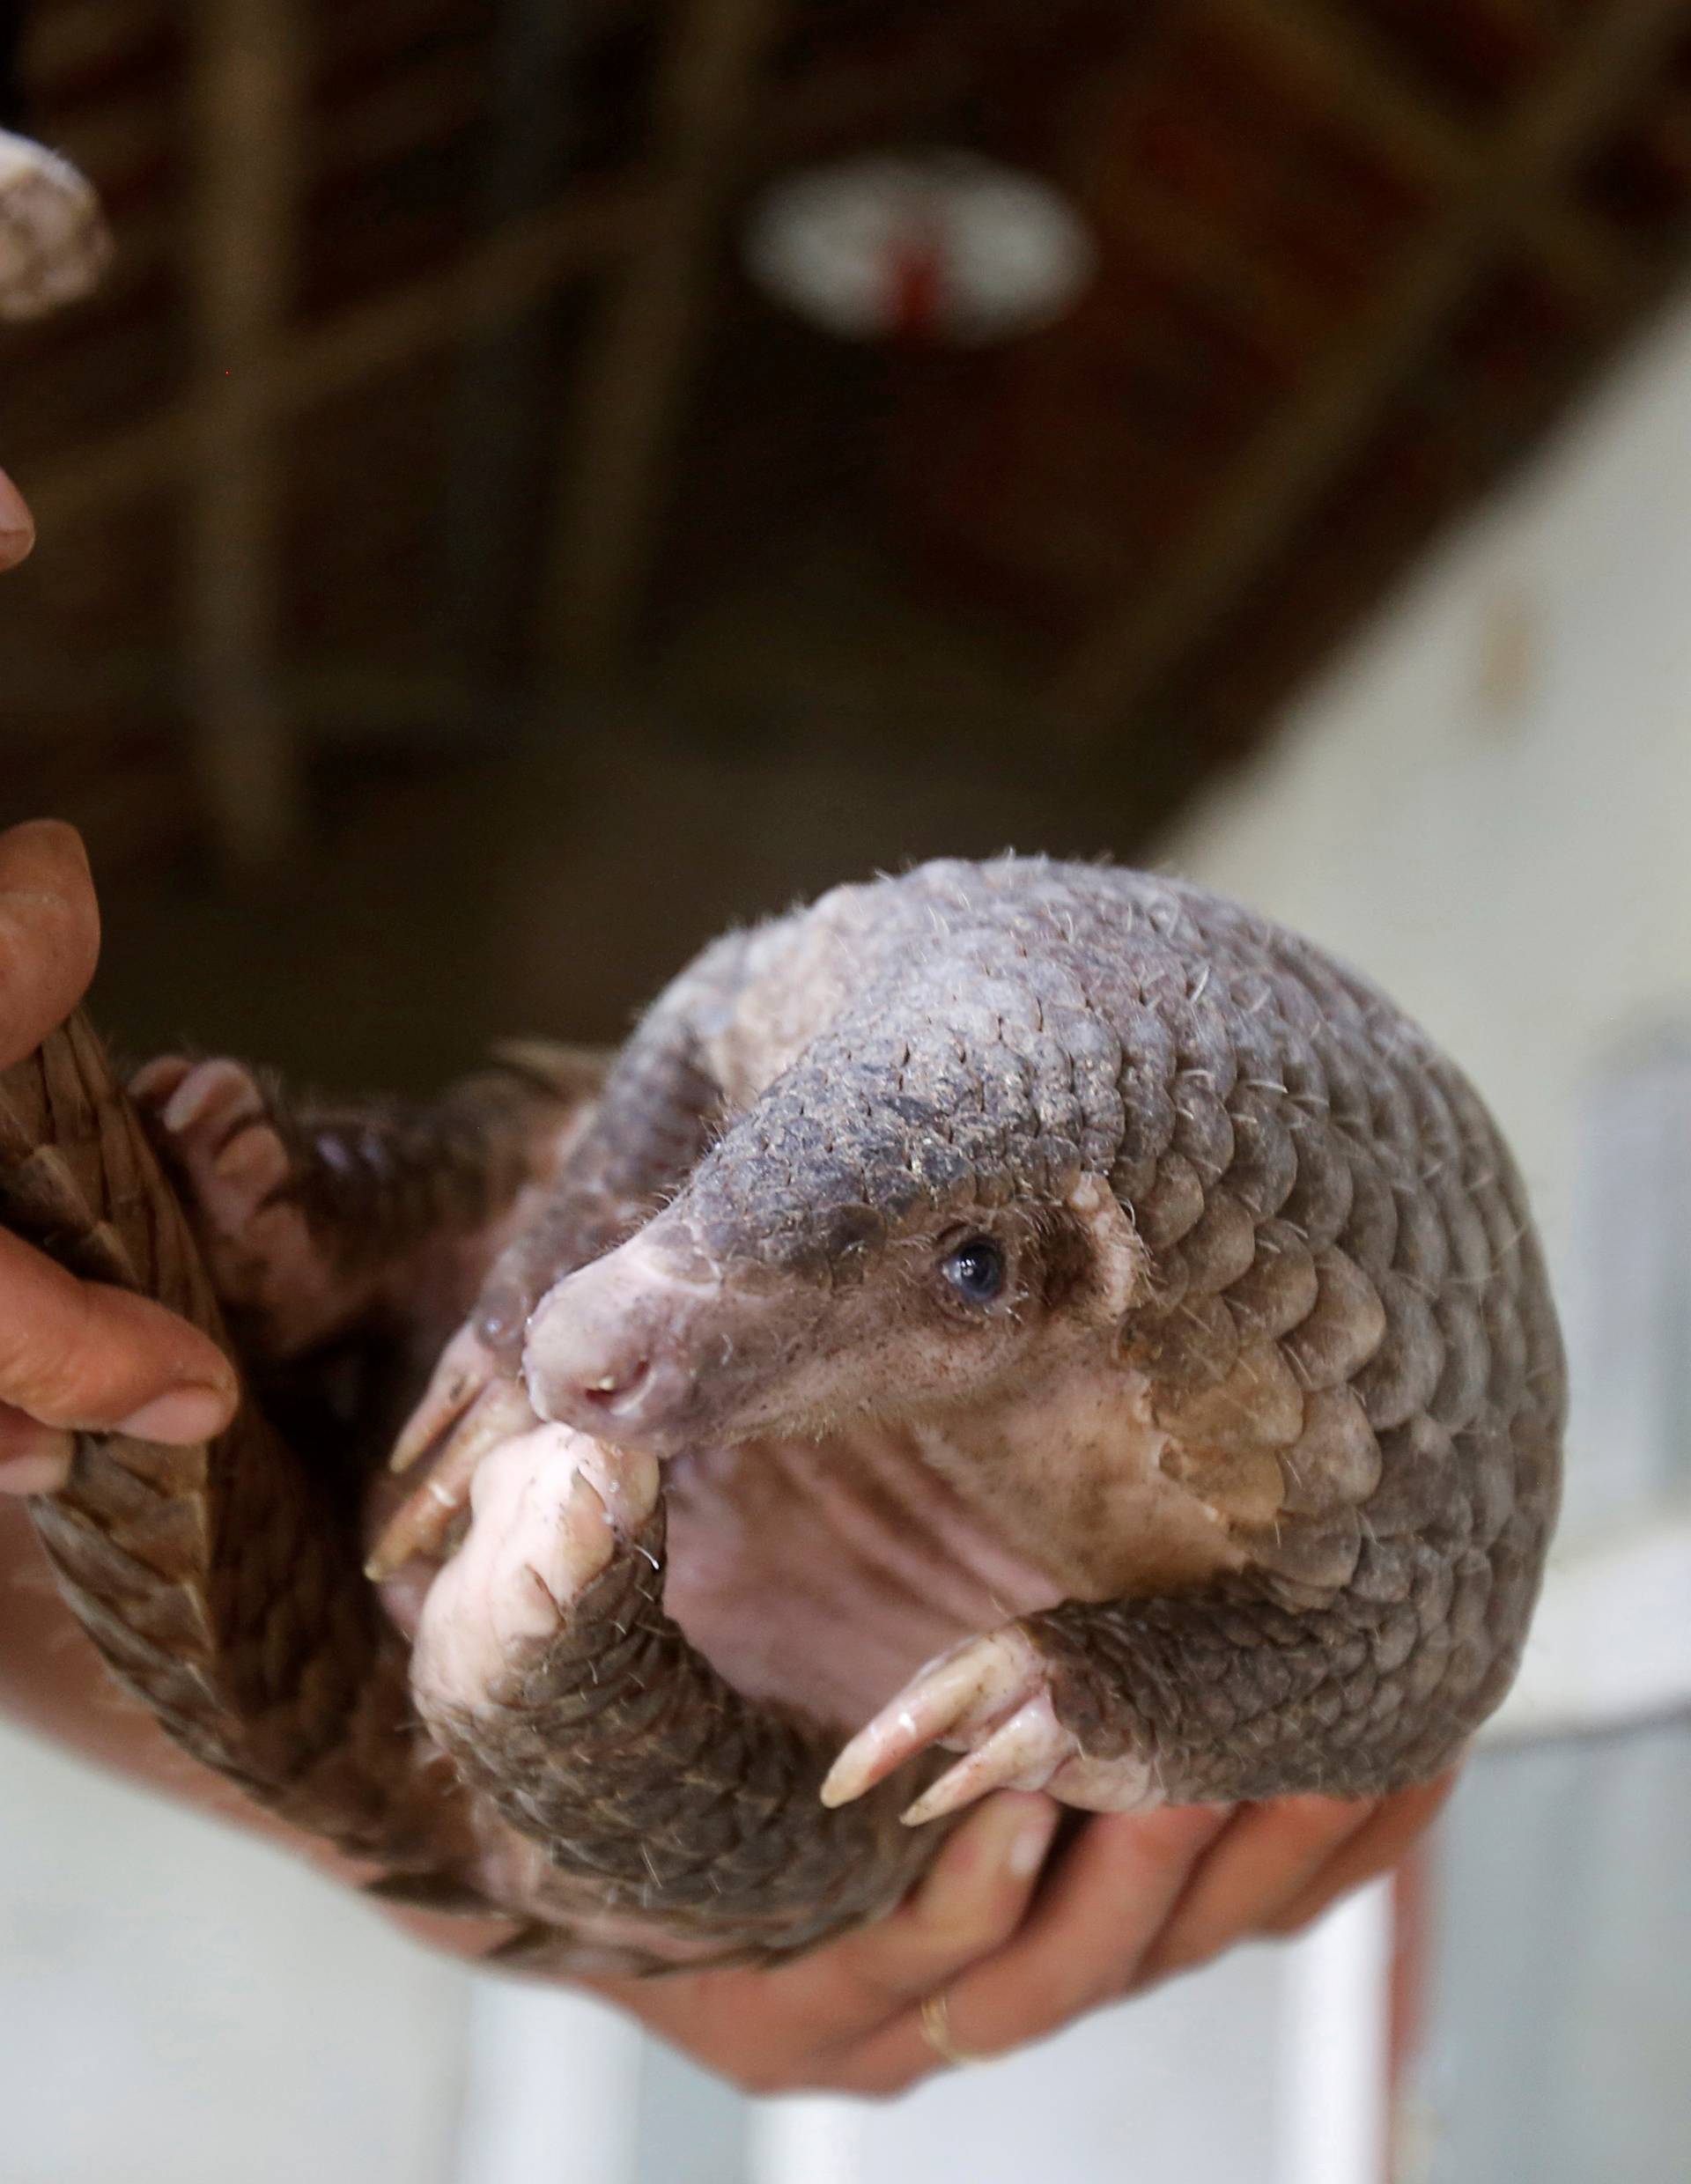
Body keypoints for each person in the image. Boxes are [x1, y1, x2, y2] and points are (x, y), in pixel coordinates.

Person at [0, 464, 1451, 2094]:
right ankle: (351, 1262)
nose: (586, 1341)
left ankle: (540, 1681)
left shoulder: (1339, 1414)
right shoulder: (860, 1018)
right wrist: (546, 1263)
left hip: (845, 1658)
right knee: (563, 1173)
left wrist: (1117, 1688)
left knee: (820, 1830)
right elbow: (711, 1028)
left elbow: (1381, 1645)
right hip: (491, 1419)